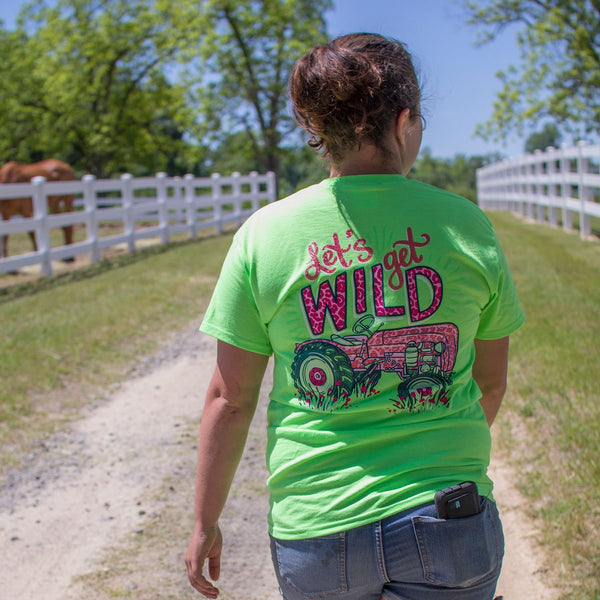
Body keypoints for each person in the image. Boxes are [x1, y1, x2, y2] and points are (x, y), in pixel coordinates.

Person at [185, 32, 524, 600]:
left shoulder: (265, 235)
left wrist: (203, 523)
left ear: (319, 131)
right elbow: (489, 382)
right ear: (404, 121)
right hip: (446, 517)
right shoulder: (466, 226)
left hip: (318, 529)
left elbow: (231, 397)